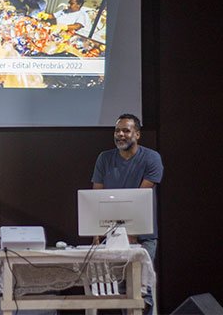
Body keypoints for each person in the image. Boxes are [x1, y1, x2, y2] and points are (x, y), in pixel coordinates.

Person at [91, 113, 163, 315]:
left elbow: (139, 198)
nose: (120, 134)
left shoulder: (151, 158)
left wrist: (131, 233)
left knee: (141, 291)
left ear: (137, 134)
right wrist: (96, 232)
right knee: (123, 291)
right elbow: (97, 197)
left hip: (143, 236)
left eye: (126, 130)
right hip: (112, 235)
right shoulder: (104, 159)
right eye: (117, 130)